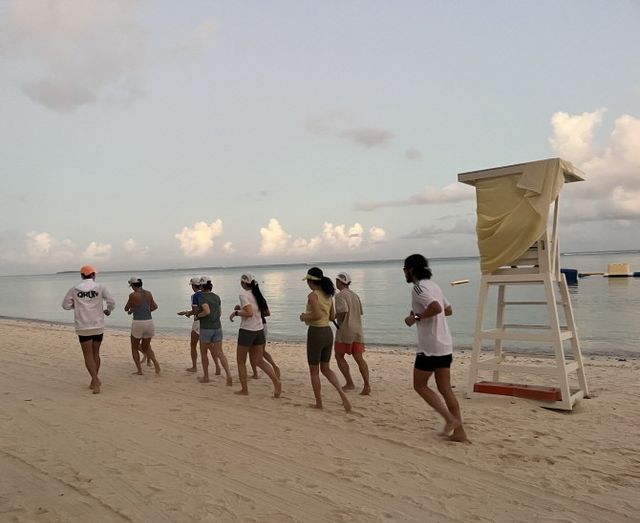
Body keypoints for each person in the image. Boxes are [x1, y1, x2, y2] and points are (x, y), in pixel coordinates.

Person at [402, 254, 467, 442]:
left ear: (411, 270)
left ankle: (449, 419)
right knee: (445, 388)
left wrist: (415, 317)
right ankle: (459, 432)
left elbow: (436, 308)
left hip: (429, 346)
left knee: (420, 385)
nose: (404, 273)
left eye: (405, 269)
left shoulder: (418, 288)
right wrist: (423, 313)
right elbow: (448, 310)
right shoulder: (434, 286)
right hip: (445, 344)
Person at [299, 267, 351, 413]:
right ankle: (342, 395)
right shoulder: (328, 295)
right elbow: (331, 316)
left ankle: (319, 403)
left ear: (311, 281)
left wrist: (304, 317)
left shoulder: (313, 295)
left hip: (316, 333)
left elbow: (316, 315)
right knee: (326, 368)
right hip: (328, 333)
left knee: (314, 371)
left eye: (308, 281)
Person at [61, 265, 116, 394]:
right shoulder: (100, 287)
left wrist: (77, 306)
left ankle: (95, 380)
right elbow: (111, 302)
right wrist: (108, 310)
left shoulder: (74, 289)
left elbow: (65, 305)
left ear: (82, 276)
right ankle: (94, 380)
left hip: (83, 326)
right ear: (93, 275)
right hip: (97, 325)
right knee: (96, 354)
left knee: (88, 355)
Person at [229, 273, 281, 397]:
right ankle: (276, 382)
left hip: (247, 331)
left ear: (243, 283)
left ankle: (244, 390)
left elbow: (249, 313)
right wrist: (241, 308)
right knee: (259, 361)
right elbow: (260, 311)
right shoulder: (257, 294)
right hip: (259, 330)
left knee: (241, 361)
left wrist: (236, 313)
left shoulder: (243, 294)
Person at [334, 272, 370, 395]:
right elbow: (360, 312)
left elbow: (343, 310)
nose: (336, 283)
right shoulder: (355, 295)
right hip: (358, 330)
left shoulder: (339, 295)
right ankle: (367, 385)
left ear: (340, 282)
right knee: (359, 358)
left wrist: (334, 317)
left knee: (339, 356)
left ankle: (349, 383)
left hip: (345, 331)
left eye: (337, 280)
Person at [177, 276, 221, 375]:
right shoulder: (209, 294)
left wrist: (187, 313)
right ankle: (217, 366)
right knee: (210, 346)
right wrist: (187, 312)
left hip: (198, 322)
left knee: (193, 345)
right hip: (210, 323)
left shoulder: (195, 296)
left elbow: (195, 311)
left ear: (193, 286)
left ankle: (194, 367)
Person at [194, 276, 232, 385]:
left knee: (204, 353)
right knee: (220, 352)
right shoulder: (217, 297)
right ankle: (228, 375)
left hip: (206, 328)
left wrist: (198, 316)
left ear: (202, 286)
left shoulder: (203, 298)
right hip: (217, 327)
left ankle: (206, 377)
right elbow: (219, 313)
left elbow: (207, 311)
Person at [124, 277, 160, 375]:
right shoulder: (149, 293)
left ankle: (139, 370)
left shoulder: (132, 295)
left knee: (134, 347)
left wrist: (132, 310)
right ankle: (155, 362)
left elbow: (126, 308)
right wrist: (144, 311)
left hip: (138, 323)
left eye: (131, 286)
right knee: (146, 347)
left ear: (133, 285)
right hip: (149, 322)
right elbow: (154, 306)